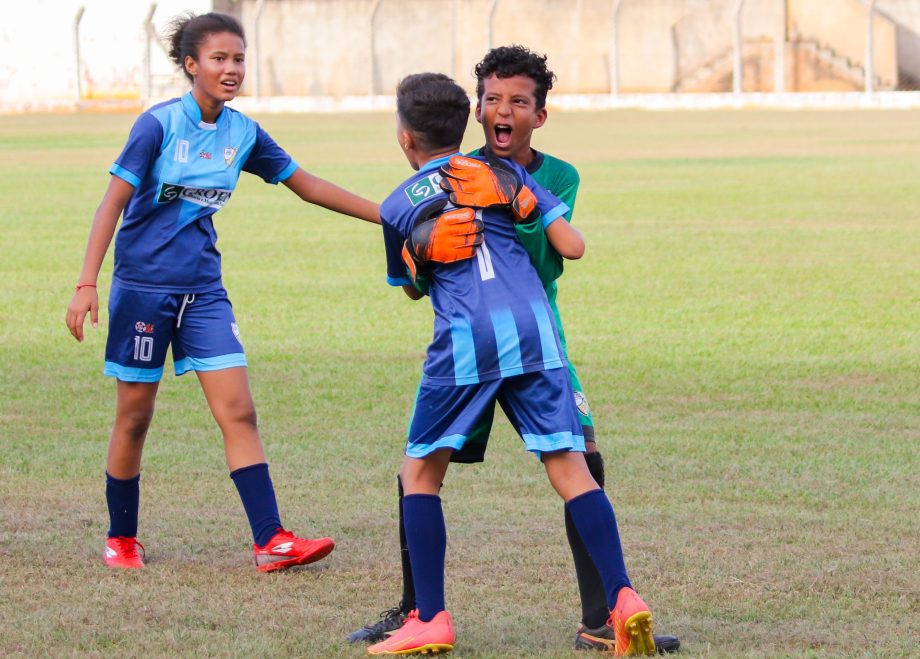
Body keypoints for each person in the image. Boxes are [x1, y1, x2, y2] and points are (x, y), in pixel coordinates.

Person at [348, 46, 680, 653]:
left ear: (539, 115)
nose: (504, 111)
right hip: (534, 337)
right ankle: (619, 594)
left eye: (518, 102)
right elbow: (569, 245)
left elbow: (544, 256)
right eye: (493, 100)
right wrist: (440, 241)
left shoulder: (532, 176)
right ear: (474, 112)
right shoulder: (496, 173)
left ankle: (585, 616)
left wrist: (463, 226)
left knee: (423, 468)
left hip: (475, 343)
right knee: (566, 467)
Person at [64, 12, 379, 571]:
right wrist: (87, 282)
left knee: (239, 410)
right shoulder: (156, 126)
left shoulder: (244, 133)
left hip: (204, 293)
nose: (231, 69)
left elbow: (306, 185)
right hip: (142, 292)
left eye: (238, 58)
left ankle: (270, 540)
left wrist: (390, 217)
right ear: (191, 65)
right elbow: (111, 203)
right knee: (135, 416)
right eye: (219, 59)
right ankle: (121, 537)